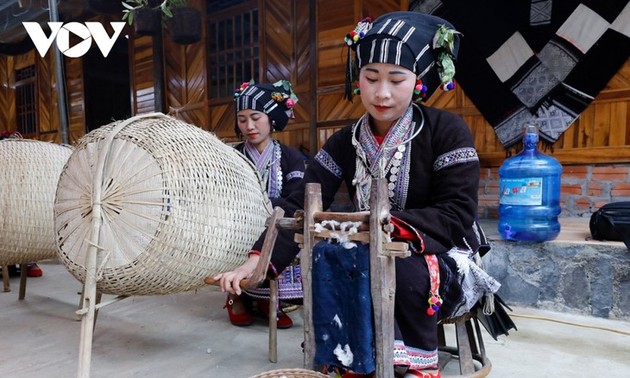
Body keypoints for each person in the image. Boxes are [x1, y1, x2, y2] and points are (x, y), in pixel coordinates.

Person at [215, 11, 500, 378]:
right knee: (330, 260)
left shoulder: (446, 130)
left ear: (418, 82)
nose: (382, 92)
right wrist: (258, 258)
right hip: (367, 249)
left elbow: (457, 213)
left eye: (397, 80)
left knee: (400, 272)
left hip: (440, 249)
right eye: (371, 77)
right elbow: (302, 200)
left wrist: (386, 228)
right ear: (358, 80)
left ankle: (405, 366)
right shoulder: (343, 142)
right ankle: (350, 362)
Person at [225, 80, 306, 329]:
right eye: (242, 119)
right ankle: (235, 296)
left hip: (275, 224)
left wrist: (262, 207)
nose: (249, 126)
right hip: (237, 226)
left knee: (290, 229)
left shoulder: (291, 156)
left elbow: (296, 197)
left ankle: (268, 298)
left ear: (271, 117)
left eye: (255, 117)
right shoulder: (232, 156)